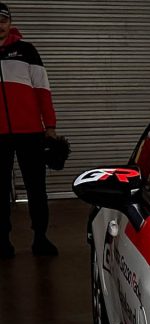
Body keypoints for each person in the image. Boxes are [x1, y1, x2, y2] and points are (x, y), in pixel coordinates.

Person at [0, 2, 57, 258]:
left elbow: (42, 90)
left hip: (30, 132)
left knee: (36, 187)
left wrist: (51, 126)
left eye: (3, 19)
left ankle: (41, 238)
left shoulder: (27, 51)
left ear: (10, 22)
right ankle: (2, 241)